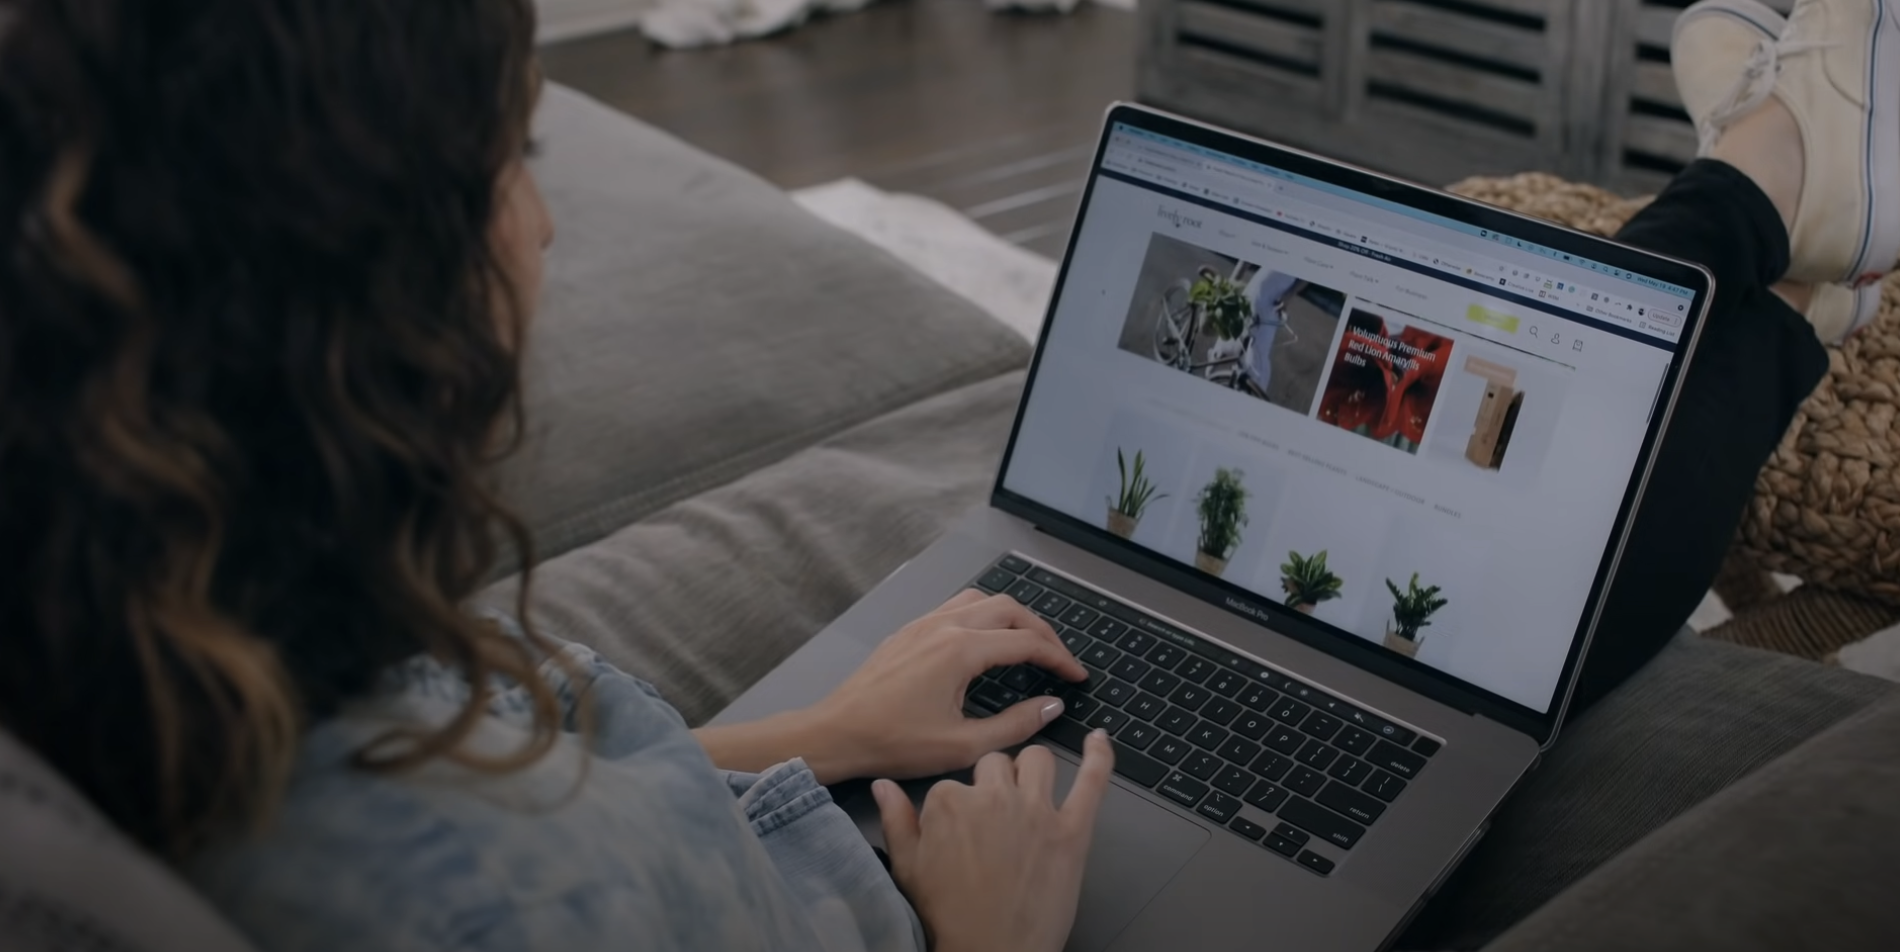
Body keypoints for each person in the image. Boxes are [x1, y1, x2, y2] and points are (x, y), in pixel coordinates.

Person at [0, 2, 1888, 952]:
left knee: (1494, 376)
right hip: (958, 906)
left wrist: (808, 733)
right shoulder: (503, 901)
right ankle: (1776, 175)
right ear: (358, 308)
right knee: (1530, 600)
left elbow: (523, 774)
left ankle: (1764, 175)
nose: (546, 232)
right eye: (512, 165)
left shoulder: (176, 621)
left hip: (849, 807)